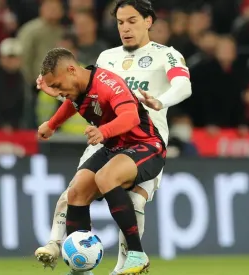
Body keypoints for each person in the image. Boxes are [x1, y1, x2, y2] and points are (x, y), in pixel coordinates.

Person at [35, 1, 192, 274]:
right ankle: (68, 253)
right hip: (107, 140)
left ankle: (126, 264)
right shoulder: (107, 57)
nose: (126, 28)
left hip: (144, 139)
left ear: (148, 21)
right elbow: (82, 93)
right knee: (75, 189)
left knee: (133, 200)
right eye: (120, 22)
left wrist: (161, 101)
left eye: (132, 20)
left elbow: (183, 85)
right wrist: (55, 115)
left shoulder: (166, 54)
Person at [38, 47, 165, 275]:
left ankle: (137, 254)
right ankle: (81, 269)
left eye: (57, 85)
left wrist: (104, 131)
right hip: (115, 148)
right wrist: (52, 124)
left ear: (71, 70)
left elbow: (131, 116)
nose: (56, 92)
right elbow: (73, 103)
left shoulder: (107, 83)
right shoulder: (78, 88)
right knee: (75, 192)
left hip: (145, 145)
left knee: (105, 176)